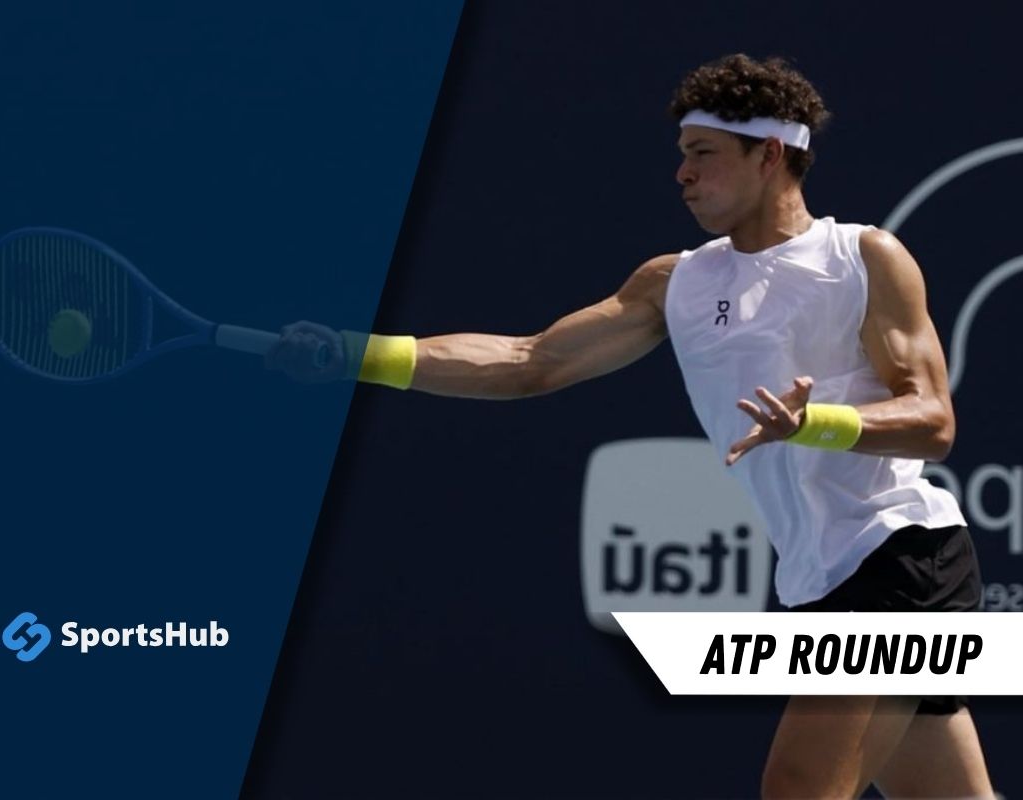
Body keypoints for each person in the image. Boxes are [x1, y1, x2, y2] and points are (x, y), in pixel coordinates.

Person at [266, 54, 995, 799]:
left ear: (770, 154)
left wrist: (819, 423)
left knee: (800, 789)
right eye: (682, 155)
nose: (682, 174)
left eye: (703, 154)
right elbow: (528, 361)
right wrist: (362, 356)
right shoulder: (674, 282)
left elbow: (932, 421)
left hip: (899, 555)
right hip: (818, 575)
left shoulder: (863, 257)